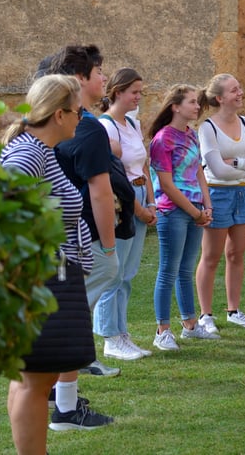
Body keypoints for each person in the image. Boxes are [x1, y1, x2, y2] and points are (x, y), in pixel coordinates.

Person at [1, 75, 110, 453]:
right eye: (79, 111)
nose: (83, 119)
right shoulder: (27, 154)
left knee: (31, 378)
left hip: (50, 276)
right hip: (42, 279)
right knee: (36, 381)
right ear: (59, 113)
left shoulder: (41, 150)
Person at [44, 44, 124, 431]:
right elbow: (98, 191)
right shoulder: (86, 126)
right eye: (98, 72)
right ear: (78, 79)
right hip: (78, 241)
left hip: (58, 242)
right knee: (70, 323)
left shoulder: (49, 126)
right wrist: (108, 247)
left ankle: (55, 394)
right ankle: (64, 404)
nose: (104, 78)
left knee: (62, 320)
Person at [93, 68, 157, 361]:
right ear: (118, 92)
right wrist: (141, 209)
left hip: (141, 193)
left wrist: (152, 200)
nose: (138, 97)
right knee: (114, 271)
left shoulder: (131, 123)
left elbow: (142, 163)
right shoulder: (106, 127)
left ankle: (122, 332)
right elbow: (114, 177)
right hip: (123, 199)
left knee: (128, 273)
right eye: (134, 92)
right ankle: (109, 336)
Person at [195, 74, 245, 331]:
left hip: (244, 193)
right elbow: (216, 169)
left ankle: (233, 310)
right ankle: (206, 315)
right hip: (217, 194)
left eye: (239, 88)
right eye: (234, 90)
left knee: (236, 254)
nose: (240, 93)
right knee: (211, 256)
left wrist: (236, 163)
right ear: (220, 98)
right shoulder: (208, 128)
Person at [149, 84, 219, 350]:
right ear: (175, 106)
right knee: (168, 270)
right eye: (191, 102)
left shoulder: (191, 135)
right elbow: (165, 184)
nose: (197, 106)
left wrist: (207, 205)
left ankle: (190, 325)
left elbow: (199, 171)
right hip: (173, 211)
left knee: (186, 270)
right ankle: (162, 330)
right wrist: (195, 212)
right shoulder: (163, 139)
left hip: (195, 210)